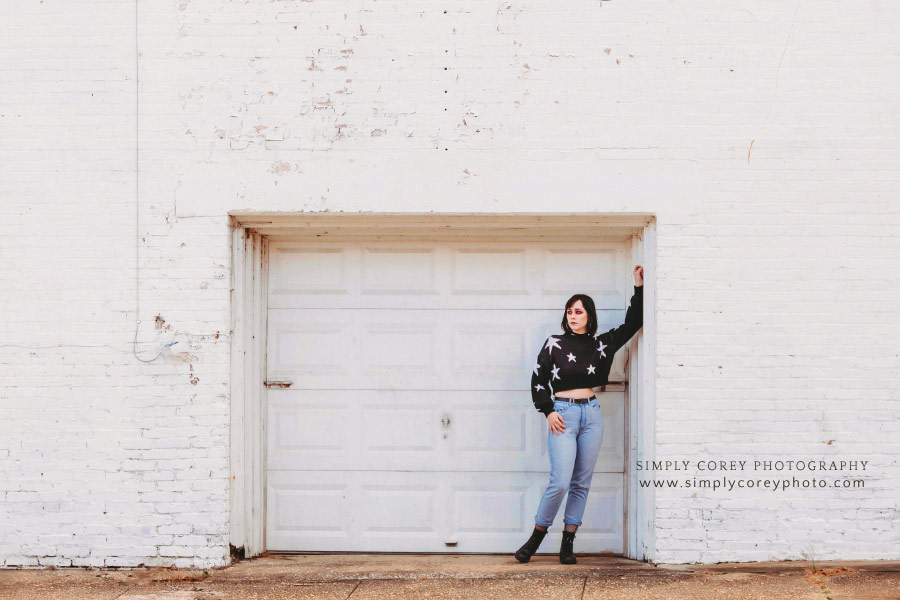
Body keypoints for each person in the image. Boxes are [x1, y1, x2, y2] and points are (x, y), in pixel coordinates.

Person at [514, 265, 644, 564]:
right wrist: (547, 411)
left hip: (592, 415)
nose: (573, 316)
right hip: (562, 414)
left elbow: (632, 323)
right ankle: (536, 537)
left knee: (581, 482)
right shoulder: (554, 343)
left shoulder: (600, 345)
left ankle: (568, 542)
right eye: (570, 311)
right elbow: (537, 380)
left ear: (589, 316)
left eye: (579, 311)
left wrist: (638, 287)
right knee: (559, 481)